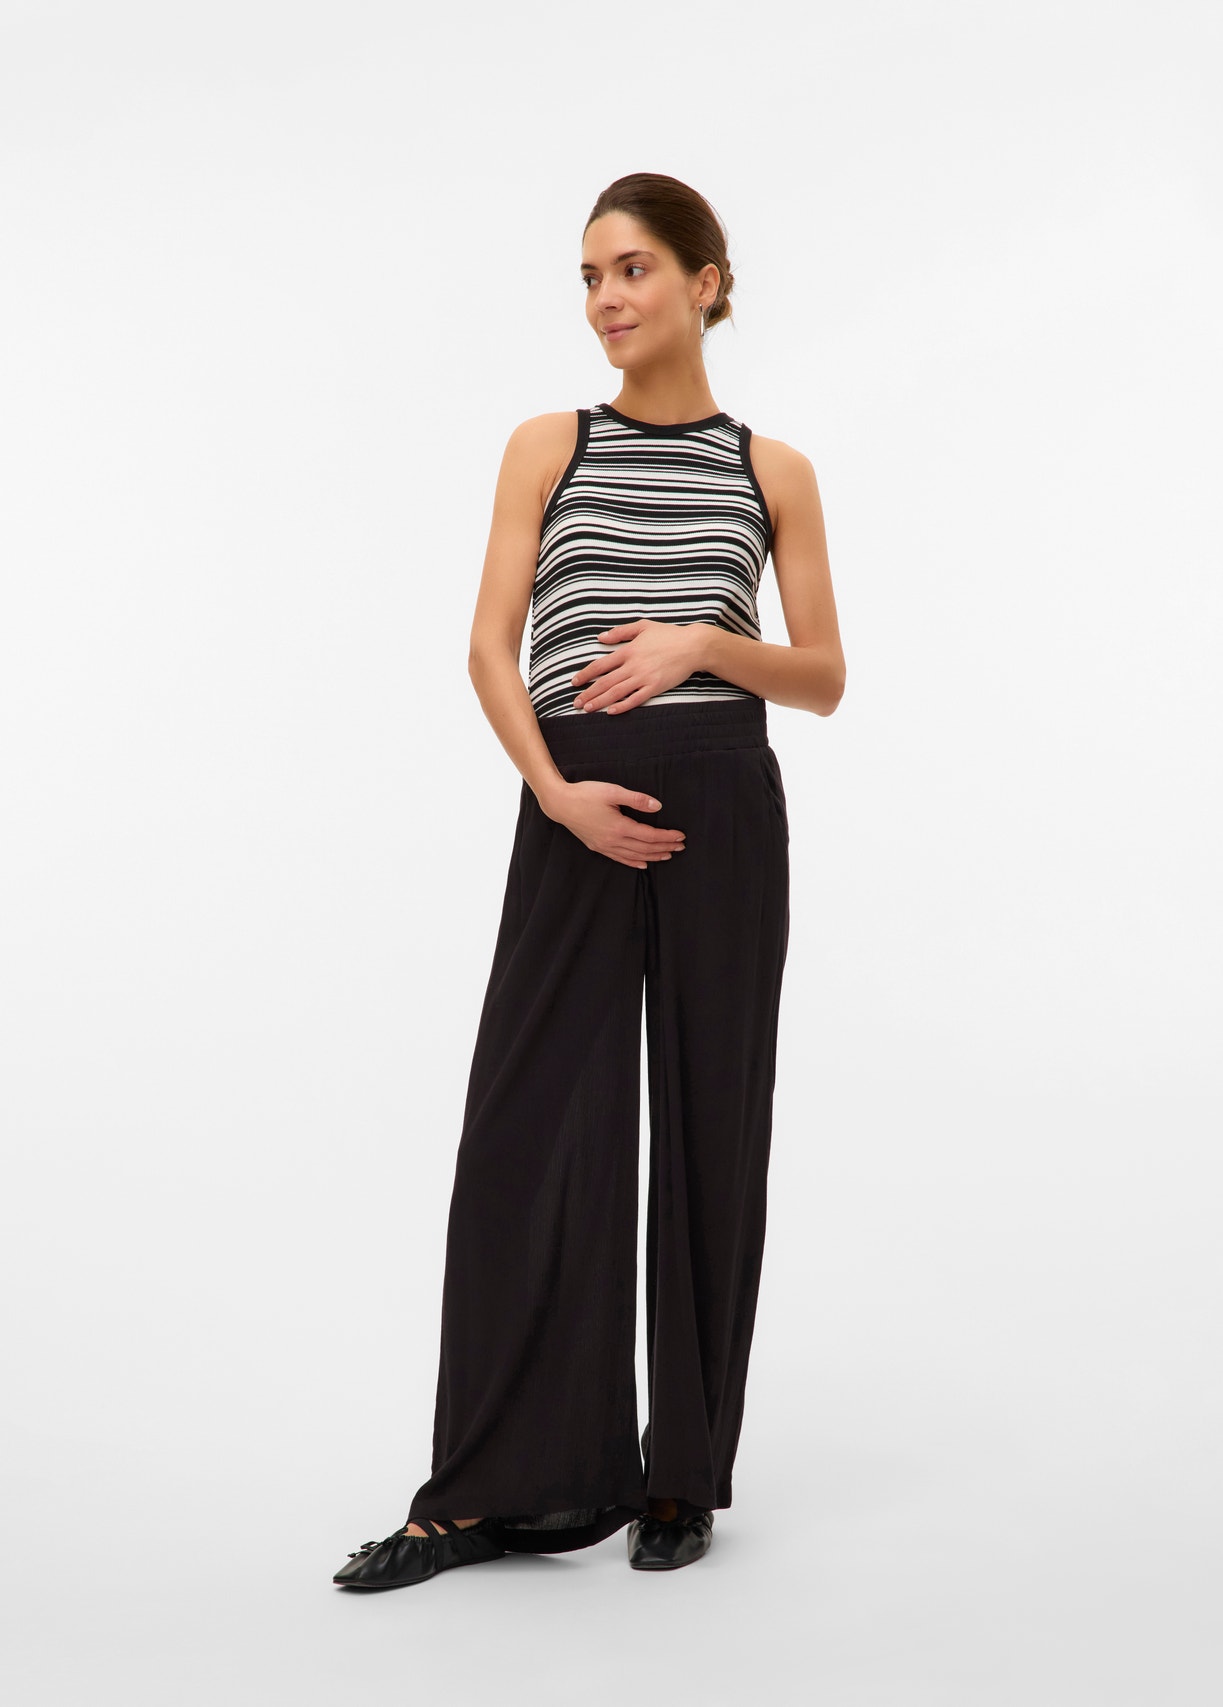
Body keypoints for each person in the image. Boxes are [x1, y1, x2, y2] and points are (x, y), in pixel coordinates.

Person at [334, 172, 844, 1591]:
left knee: (709, 1123)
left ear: (705, 282)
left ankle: (680, 1477)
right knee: (529, 1125)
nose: (606, 300)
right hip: (574, 803)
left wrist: (703, 643)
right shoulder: (546, 445)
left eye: (632, 270)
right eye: (589, 276)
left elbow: (823, 677)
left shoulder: (775, 471)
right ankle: (480, 1494)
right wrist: (553, 791)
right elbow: (490, 647)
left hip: (722, 800)